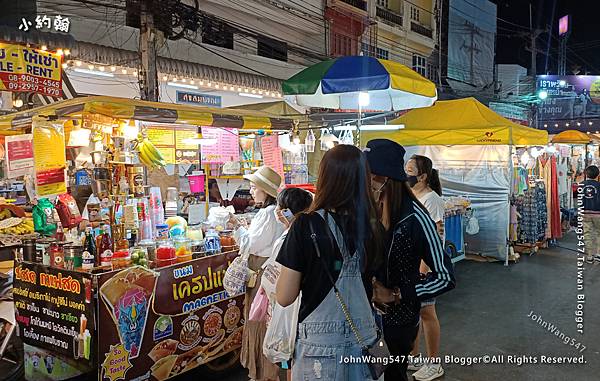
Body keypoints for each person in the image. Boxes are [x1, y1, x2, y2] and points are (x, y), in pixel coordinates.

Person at [275, 144, 384, 381]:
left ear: (325, 178)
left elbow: (284, 296)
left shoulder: (305, 225)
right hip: (365, 339)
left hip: (318, 345)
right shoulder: (374, 227)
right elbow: (379, 288)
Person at [366, 140, 455, 381]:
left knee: (393, 374)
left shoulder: (416, 218)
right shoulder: (371, 212)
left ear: (384, 179)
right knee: (375, 373)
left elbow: (445, 277)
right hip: (371, 322)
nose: (367, 184)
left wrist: (397, 294)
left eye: (371, 177)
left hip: (398, 322)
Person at [233, 166, 284, 381]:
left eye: (255, 188)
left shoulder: (267, 214)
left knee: (259, 321)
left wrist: (236, 226)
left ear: (266, 191)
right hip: (269, 274)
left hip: (261, 274)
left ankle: (264, 373)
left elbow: (251, 245)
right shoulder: (275, 213)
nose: (252, 191)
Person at [260, 187, 313, 381]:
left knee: (291, 358)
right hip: (302, 310)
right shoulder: (310, 234)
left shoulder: (289, 239)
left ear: (284, 211)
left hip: (289, 309)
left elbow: (276, 285)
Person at [405, 154, 447, 381]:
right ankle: (414, 356)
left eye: (410, 170)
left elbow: (435, 238)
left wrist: (423, 269)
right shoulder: (412, 194)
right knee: (414, 311)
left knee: (427, 312)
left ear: (422, 176)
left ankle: (434, 362)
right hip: (411, 265)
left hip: (425, 267)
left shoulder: (432, 199)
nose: (406, 173)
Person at [581, 165, 600, 264]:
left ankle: (589, 256)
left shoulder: (581, 185)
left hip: (585, 213)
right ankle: (598, 254)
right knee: (598, 233)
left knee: (587, 234)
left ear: (586, 174)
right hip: (598, 214)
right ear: (598, 174)